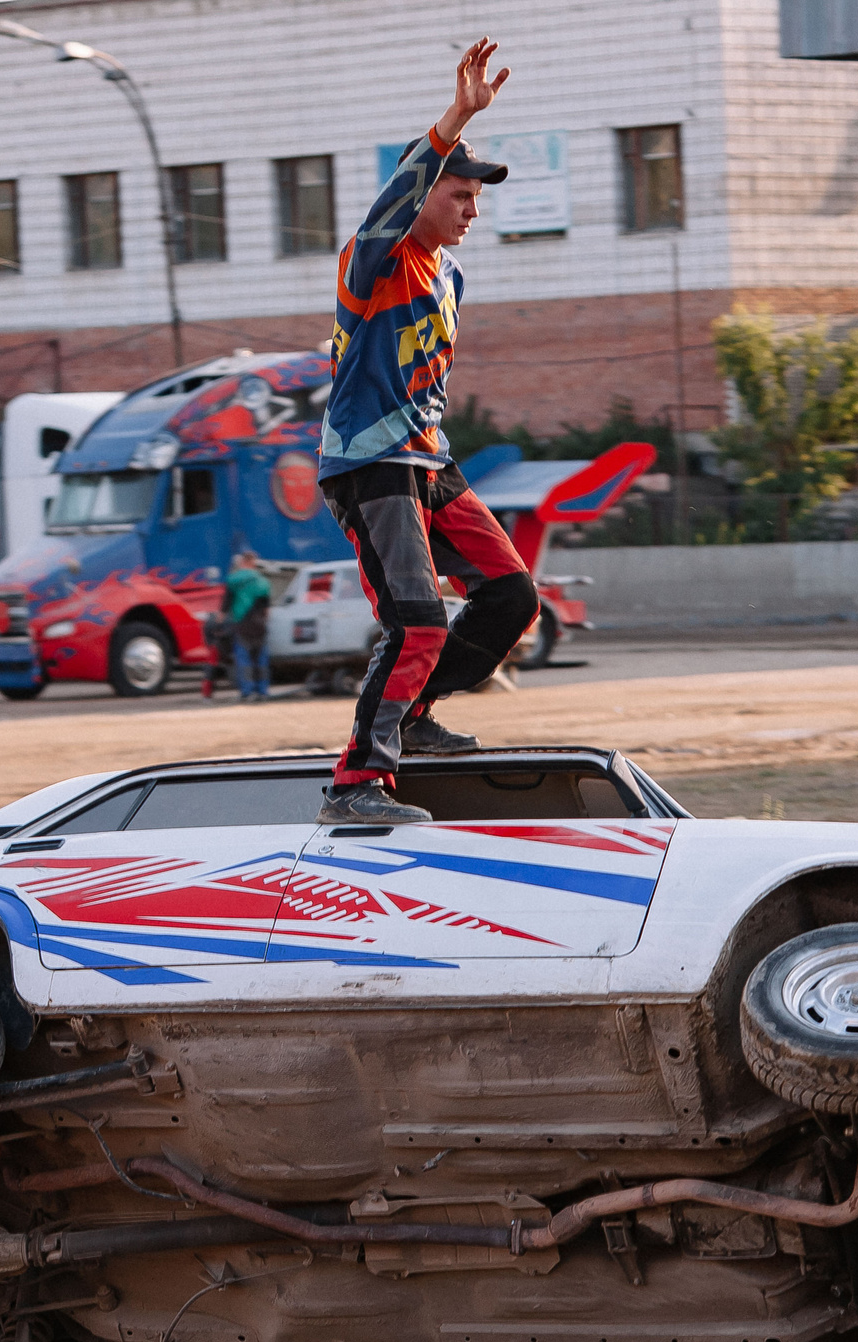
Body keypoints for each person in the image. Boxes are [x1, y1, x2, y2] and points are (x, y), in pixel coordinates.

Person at [312, 38, 537, 827]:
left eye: (479, 197)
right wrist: (454, 120)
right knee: (414, 616)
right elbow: (391, 206)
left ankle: (414, 716)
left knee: (512, 593)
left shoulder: (451, 274)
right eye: (461, 195)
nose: (473, 209)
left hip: (429, 460)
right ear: (424, 197)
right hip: (370, 464)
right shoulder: (374, 259)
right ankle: (356, 783)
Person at [222, 552, 272, 703]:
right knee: (261, 660)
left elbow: (226, 604)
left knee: (244, 660)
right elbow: (266, 608)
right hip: (259, 626)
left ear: (243, 562)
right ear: (254, 562)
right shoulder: (263, 581)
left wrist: (220, 621)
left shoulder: (233, 580)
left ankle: (247, 692)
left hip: (241, 625)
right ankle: (262, 691)